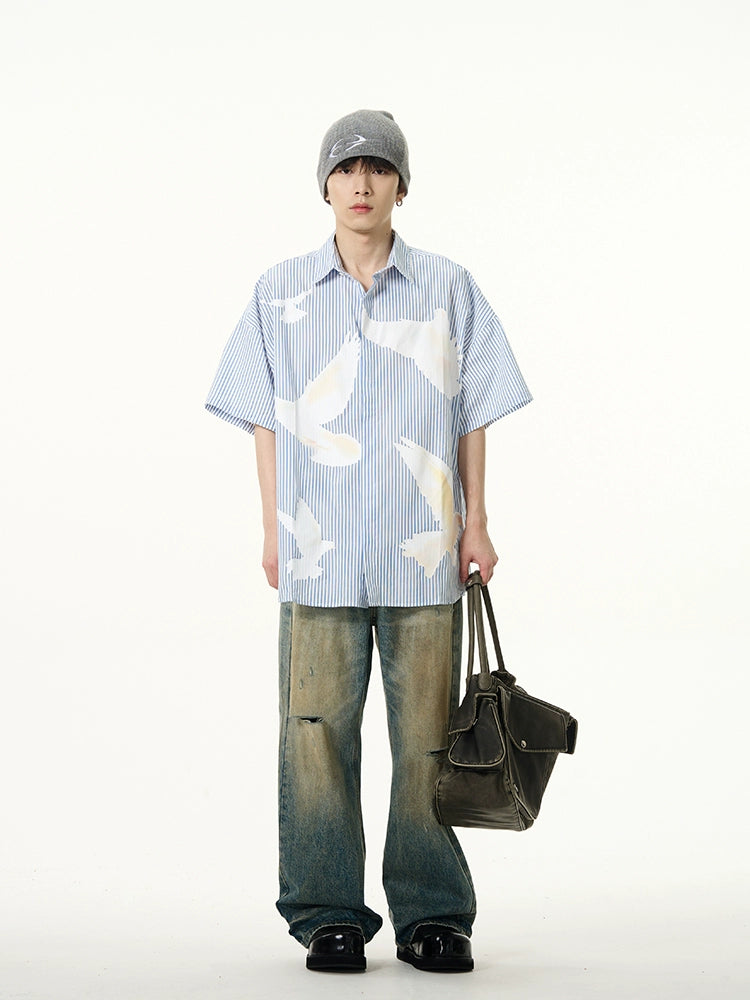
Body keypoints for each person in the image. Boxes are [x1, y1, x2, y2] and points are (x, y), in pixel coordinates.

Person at [205, 109, 532, 973]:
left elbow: (471, 411)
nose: (361, 183)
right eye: (346, 168)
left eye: (378, 168)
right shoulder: (279, 292)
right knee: (314, 733)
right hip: (318, 552)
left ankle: (433, 915)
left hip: (424, 552)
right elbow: (262, 419)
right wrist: (272, 528)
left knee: (429, 739)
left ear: (401, 186)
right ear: (324, 185)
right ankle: (327, 914)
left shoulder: (448, 286)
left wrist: (478, 519)